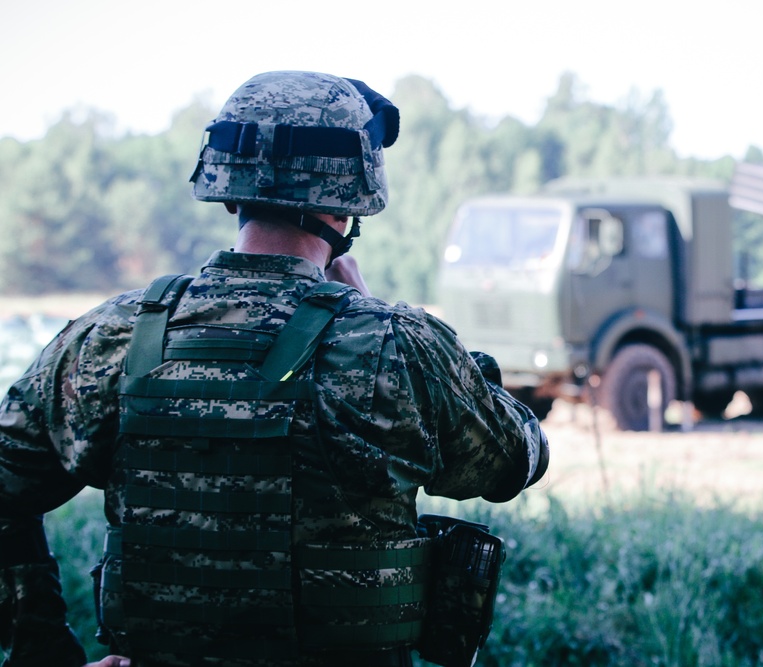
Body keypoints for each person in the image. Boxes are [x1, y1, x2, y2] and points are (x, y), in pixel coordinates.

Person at [0, 71, 549, 667]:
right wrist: (408, 332)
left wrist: (42, 652)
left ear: (227, 184)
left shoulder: (113, 334)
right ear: (349, 197)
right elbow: (519, 457)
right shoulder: (396, 343)